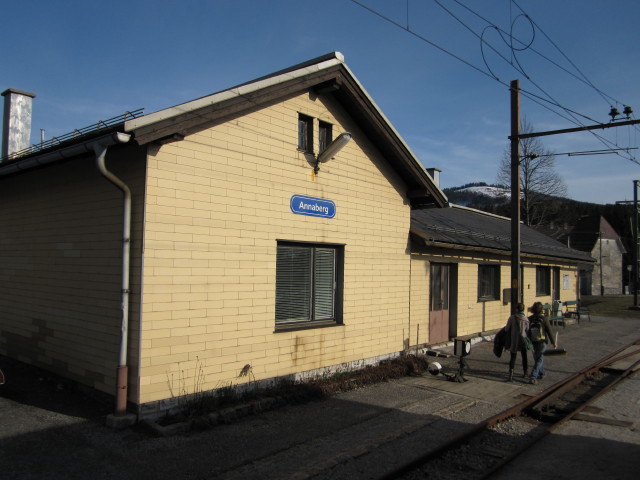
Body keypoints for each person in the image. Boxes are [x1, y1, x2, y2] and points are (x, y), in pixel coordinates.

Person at [528, 301, 557, 384]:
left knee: (537, 358)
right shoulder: (544, 319)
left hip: (532, 341)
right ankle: (533, 377)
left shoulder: (530, 318)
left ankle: (542, 373)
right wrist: (554, 342)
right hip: (542, 341)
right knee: (540, 359)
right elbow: (549, 331)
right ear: (542, 310)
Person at [504, 302, 529, 382]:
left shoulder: (512, 318)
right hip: (523, 340)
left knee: (513, 357)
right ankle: (525, 372)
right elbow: (527, 330)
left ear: (517, 309)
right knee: (524, 357)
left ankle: (511, 374)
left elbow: (506, 329)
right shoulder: (526, 319)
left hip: (514, 340)